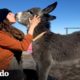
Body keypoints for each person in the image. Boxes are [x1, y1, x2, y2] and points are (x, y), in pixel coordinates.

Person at [0, 8, 40, 80]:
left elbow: (27, 41)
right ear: (3, 18)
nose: (13, 14)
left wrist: (31, 25)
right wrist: (32, 27)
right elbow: (23, 46)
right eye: (9, 14)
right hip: (5, 68)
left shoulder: (12, 31)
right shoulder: (1, 35)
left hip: (16, 60)